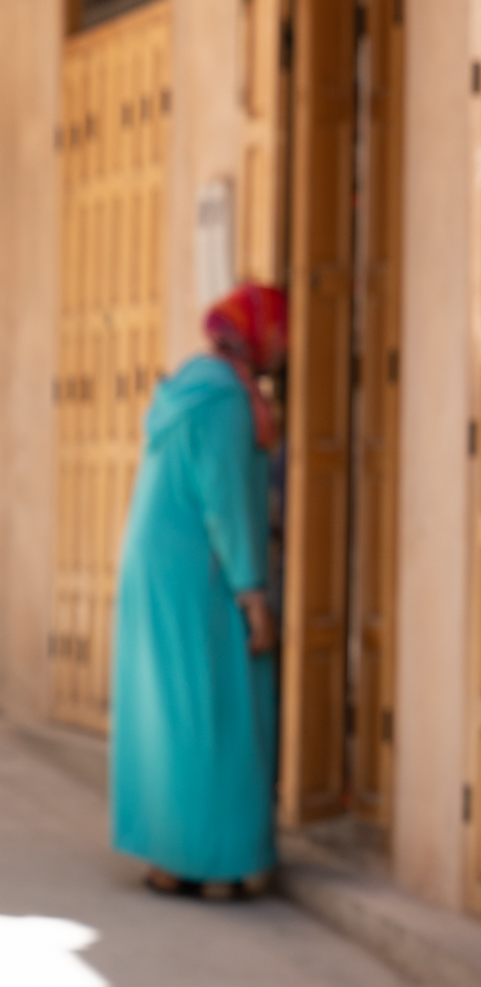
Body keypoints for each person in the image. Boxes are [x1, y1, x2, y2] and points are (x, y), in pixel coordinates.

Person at [111, 283, 287, 898]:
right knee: (215, 706)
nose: (285, 348)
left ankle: (170, 857)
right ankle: (219, 863)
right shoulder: (225, 402)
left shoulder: (193, 383)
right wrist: (253, 593)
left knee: (170, 709)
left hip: (155, 565)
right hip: (194, 571)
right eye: (281, 334)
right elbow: (227, 502)